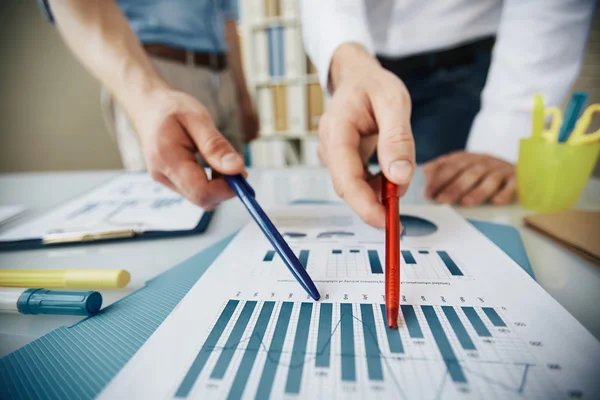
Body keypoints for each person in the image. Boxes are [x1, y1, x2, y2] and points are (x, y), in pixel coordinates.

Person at [300, 0, 595, 227]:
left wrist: (506, 134)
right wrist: (350, 66)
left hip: (469, 65)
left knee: (459, 210)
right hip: (362, 60)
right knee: (361, 197)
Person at [39, 0, 257, 210]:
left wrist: (243, 95)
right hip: (156, 68)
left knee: (229, 198)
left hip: (222, 73)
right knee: (172, 200)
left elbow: (228, 19)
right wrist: (149, 96)